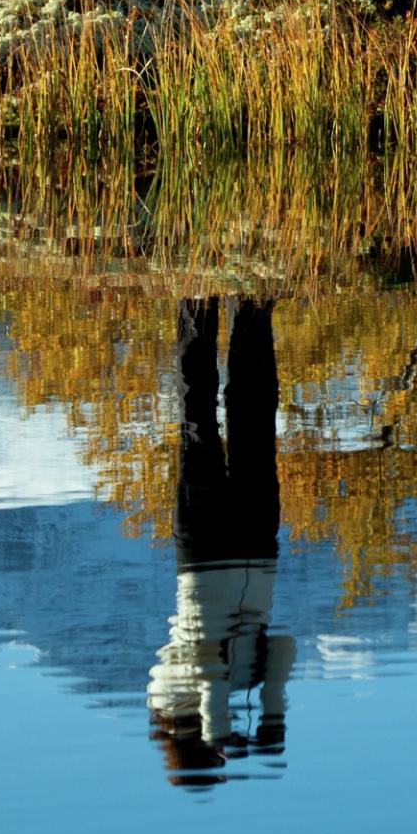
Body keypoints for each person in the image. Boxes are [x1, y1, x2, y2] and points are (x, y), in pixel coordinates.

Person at [148, 295, 295, 786]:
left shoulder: (164, 697)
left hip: (205, 549)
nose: (224, 754)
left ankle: (196, 295)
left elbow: (206, 661)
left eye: (215, 757)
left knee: (198, 408)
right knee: (255, 409)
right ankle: (254, 301)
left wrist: (218, 724)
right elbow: (285, 644)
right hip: (258, 544)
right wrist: (272, 712)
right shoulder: (248, 682)